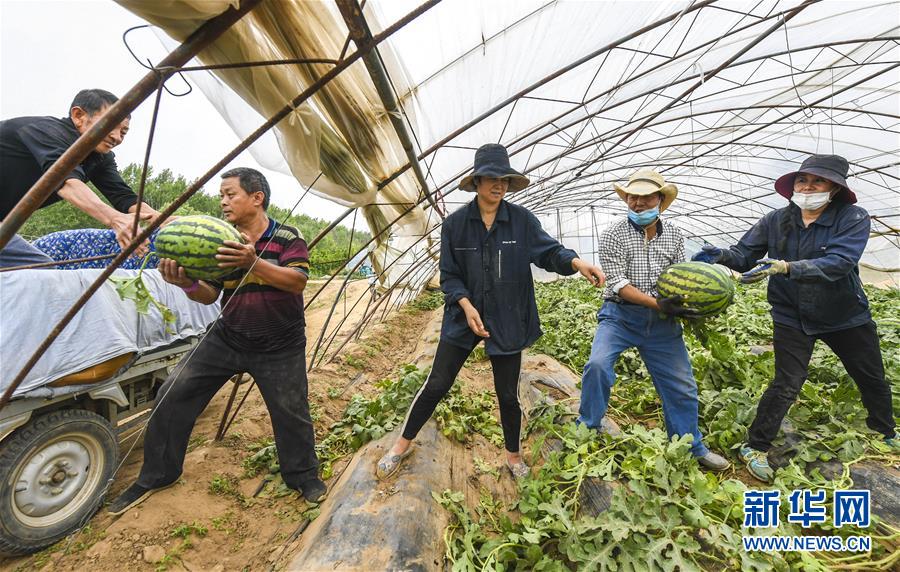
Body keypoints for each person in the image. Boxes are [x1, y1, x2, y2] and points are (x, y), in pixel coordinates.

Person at [376, 143, 606, 480]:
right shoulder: (455, 225)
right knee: (437, 383)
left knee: (508, 394)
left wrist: (575, 261)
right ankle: (400, 445)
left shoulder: (522, 222)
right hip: (463, 315)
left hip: (508, 315)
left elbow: (549, 252)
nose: (499, 185)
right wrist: (466, 305)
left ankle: (513, 456)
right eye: (491, 178)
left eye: (505, 180)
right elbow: (450, 275)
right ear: (477, 181)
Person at [108, 167, 326, 515]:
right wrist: (185, 284)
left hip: (280, 343)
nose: (222, 201)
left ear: (257, 198)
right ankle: (158, 475)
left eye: (230, 194)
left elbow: (296, 281)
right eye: (221, 195)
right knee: (173, 393)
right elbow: (209, 296)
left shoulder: (286, 236)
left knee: (291, 412)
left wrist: (253, 262)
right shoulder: (220, 240)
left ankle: (303, 475)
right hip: (229, 335)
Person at [692, 154, 899, 482]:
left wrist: (789, 267)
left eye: (818, 181)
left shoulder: (852, 217)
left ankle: (885, 429)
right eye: (803, 180)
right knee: (787, 383)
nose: (808, 186)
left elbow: (841, 262)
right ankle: (755, 445)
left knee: (870, 376)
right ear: (794, 185)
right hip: (791, 313)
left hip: (844, 314)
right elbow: (745, 256)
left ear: (834, 188)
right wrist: (721, 255)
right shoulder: (776, 219)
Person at [579, 169, 731, 472]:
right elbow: (616, 282)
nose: (637, 203)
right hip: (619, 316)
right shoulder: (612, 234)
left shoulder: (674, 235)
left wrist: (694, 294)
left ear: (660, 200)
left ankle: (691, 446)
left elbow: (677, 275)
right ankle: (586, 429)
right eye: (632, 197)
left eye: (645, 197)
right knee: (597, 366)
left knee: (682, 386)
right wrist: (656, 302)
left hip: (661, 323)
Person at [0, 88, 160, 267]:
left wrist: (168, 221)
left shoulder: (99, 157)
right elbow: (66, 182)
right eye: (111, 124)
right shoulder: (47, 131)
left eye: (123, 132)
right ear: (78, 116)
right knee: (38, 271)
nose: (116, 137)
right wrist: (115, 219)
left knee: (40, 270)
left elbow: (125, 198)